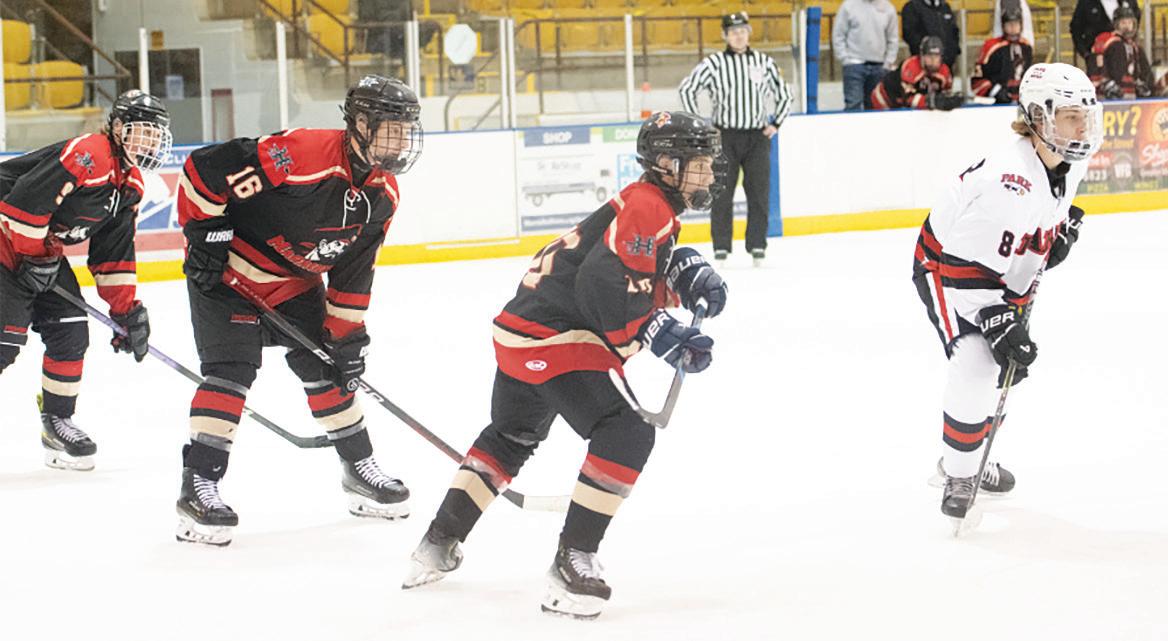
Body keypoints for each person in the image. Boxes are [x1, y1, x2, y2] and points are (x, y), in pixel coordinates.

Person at [399, 111, 729, 620]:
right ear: (667, 163)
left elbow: (617, 275)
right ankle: (571, 562)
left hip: (521, 330)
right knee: (626, 432)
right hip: (553, 338)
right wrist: (652, 329)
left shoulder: (645, 203)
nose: (707, 172)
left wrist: (675, 284)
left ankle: (437, 543)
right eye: (699, 163)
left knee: (511, 437)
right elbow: (601, 283)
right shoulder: (648, 205)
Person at [173, 74, 423, 546]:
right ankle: (198, 485)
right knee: (231, 371)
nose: (402, 141)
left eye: (407, 131)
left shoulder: (383, 196)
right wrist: (204, 233)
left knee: (328, 366)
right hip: (229, 275)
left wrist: (345, 336)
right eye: (393, 129)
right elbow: (205, 170)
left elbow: (353, 273)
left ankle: (358, 468)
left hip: (293, 282)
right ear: (361, 124)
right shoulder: (303, 154)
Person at [912, 63, 1102, 524]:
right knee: (978, 361)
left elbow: (1041, 215)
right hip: (946, 268)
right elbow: (962, 267)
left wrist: (1051, 238)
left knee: (1006, 365)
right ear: (1038, 118)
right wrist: (996, 321)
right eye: (1070, 117)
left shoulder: (1068, 160)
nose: (1082, 128)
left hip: (1004, 268)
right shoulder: (1008, 180)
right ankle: (958, 472)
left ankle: (975, 454)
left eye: (1085, 116)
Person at [0, 89, 170, 471]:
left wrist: (127, 311)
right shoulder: (89, 153)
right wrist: (33, 255)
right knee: (3, 342)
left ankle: (57, 421)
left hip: (40, 250)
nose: (150, 142)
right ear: (118, 128)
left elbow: (113, 256)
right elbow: (23, 203)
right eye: (144, 132)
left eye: (156, 135)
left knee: (71, 331)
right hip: (6, 237)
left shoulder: (130, 186)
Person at [679, 11, 791, 267]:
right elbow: (687, 89)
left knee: (759, 192)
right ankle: (721, 247)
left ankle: (757, 246)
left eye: (742, 31)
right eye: (733, 32)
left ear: (748, 33)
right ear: (725, 35)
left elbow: (784, 94)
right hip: (724, 137)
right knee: (720, 192)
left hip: (757, 136)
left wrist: (776, 123)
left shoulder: (764, 62)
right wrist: (701, 125)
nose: (738, 36)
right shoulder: (714, 63)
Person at [832, 0, 900, 111]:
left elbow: (893, 39)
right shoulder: (848, 6)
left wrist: (888, 63)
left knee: (877, 107)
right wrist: (845, 59)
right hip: (854, 66)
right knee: (853, 105)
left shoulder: (888, 8)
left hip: (879, 67)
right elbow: (838, 35)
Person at [871, 36, 962, 110]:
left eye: (936, 56)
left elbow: (945, 94)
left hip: (904, 104)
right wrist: (932, 102)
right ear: (922, 56)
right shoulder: (910, 67)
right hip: (884, 99)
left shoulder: (944, 71)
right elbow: (908, 99)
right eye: (929, 56)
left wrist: (949, 100)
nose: (933, 60)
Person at [1089, 6, 1154, 99]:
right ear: (1116, 24)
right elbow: (1096, 64)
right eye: (1123, 23)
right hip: (1106, 95)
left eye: (1130, 23)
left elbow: (1140, 71)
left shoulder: (1135, 47)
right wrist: (1105, 82)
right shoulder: (1105, 39)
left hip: (1129, 94)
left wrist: (1142, 84)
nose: (1127, 26)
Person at [971, 9, 1033, 104]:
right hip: (996, 103)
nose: (1013, 28)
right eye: (1009, 24)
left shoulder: (1026, 46)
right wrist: (995, 91)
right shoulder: (991, 46)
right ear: (1003, 26)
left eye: (1016, 24)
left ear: (1021, 25)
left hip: (1021, 101)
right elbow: (977, 81)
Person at [1071, 0, 1140, 61]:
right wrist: (1086, 54)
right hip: (1098, 58)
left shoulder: (1129, 2)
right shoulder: (1086, 3)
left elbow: (1136, 19)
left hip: (1127, 57)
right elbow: (1076, 29)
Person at [902, 0, 961, 69]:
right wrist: (926, 52)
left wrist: (952, 54)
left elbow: (954, 33)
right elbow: (909, 34)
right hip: (923, 66)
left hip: (946, 65)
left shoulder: (945, 7)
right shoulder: (912, 7)